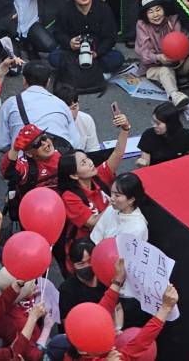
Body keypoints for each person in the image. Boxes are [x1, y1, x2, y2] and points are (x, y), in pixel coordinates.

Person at [58, 109, 131, 266]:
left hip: (113, 239)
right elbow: (93, 222)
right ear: (74, 175)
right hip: (88, 253)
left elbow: (117, 154)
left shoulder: (99, 176)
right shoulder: (70, 197)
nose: (91, 162)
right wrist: (119, 203)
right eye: (83, 163)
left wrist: (125, 130)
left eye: (87, 159)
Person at [50, 0, 124, 88]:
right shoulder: (64, 10)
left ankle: (76, 72)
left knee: (117, 59)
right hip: (74, 52)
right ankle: (96, 73)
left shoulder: (103, 8)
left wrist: (97, 52)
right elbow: (58, 33)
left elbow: (110, 37)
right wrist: (69, 43)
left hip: (96, 51)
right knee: (54, 58)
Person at [135, 0, 189, 110]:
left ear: (164, 10)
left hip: (178, 62)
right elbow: (144, 53)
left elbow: (187, 41)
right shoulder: (142, 25)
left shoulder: (173, 20)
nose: (155, 15)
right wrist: (159, 58)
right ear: (145, 15)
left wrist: (181, 52)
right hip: (155, 67)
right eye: (150, 12)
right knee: (165, 70)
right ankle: (175, 95)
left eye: (158, 10)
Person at [0, 61, 80, 152]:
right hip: (58, 160)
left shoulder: (11, 103)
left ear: (24, 80)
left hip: (23, 161)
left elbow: (0, 144)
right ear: (48, 82)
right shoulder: (62, 105)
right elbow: (76, 143)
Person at [90, 172, 149, 245]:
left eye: (117, 195)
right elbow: (96, 236)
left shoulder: (137, 228)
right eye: (112, 193)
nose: (111, 198)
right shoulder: (111, 209)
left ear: (131, 199)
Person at [137, 101, 189, 166]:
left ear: (170, 124)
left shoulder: (187, 136)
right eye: (153, 121)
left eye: (158, 123)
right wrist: (142, 163)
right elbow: (146, 163)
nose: (154, 125)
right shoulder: (148, 135)